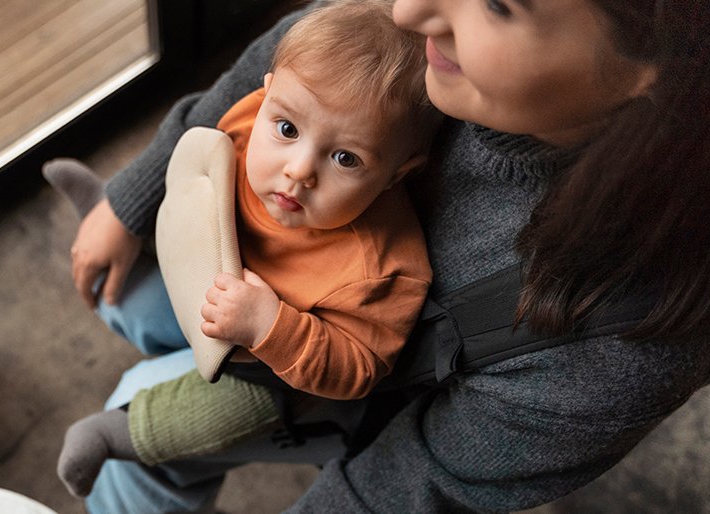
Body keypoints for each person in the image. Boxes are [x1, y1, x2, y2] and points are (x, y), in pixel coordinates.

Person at [57, 0, 710, 511]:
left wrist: (267, 334)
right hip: (245, 267)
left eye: (497, 4)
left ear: (657, 65)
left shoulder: (624, 339)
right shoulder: (428, 30)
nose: (406, 11)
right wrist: (132, 199)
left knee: (137, 416)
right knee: (130, 297)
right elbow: (291, 57)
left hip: (332, 380)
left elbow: (412, 481)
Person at [47, 0, 439, 498]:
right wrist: (131, 210)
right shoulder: (253, 116)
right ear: (266, 92)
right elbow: (194, 163)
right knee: (128, 292)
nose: (299, 169)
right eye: (288, 129)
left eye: (345, 158)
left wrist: (270, 327)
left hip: (272, 375)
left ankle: (116, 433)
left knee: (211, 415)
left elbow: (356, 369)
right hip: (207, 264)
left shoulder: (382, 270)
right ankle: (111, 225)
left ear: (397, 174)